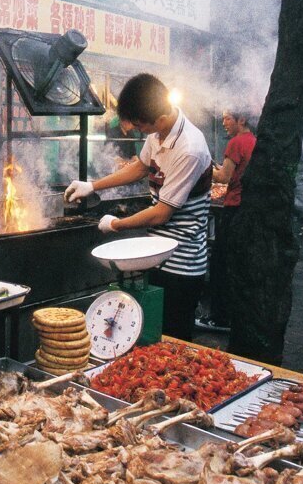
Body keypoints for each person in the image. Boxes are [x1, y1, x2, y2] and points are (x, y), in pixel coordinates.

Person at [64, 74, 212, 341]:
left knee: (171, 342)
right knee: (145, 334)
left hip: (181, 264)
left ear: (160, 119)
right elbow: (141, 167)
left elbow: (161, 213)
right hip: (154, 254)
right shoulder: (158, 134)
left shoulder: (189, 148)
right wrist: (93, 185)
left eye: (139, 124)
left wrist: (116, 224)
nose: (135, 129)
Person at [198, 110, 256, 333]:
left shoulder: (237, 142)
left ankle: (220, 318)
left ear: (241, 120)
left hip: (233, 208)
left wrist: (202, 167)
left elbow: (223, 177)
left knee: (221, 264)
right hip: (247, 208)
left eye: (228, 118)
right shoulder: (254, 141)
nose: (223, 123)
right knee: (238, 263)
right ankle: (235, 315)